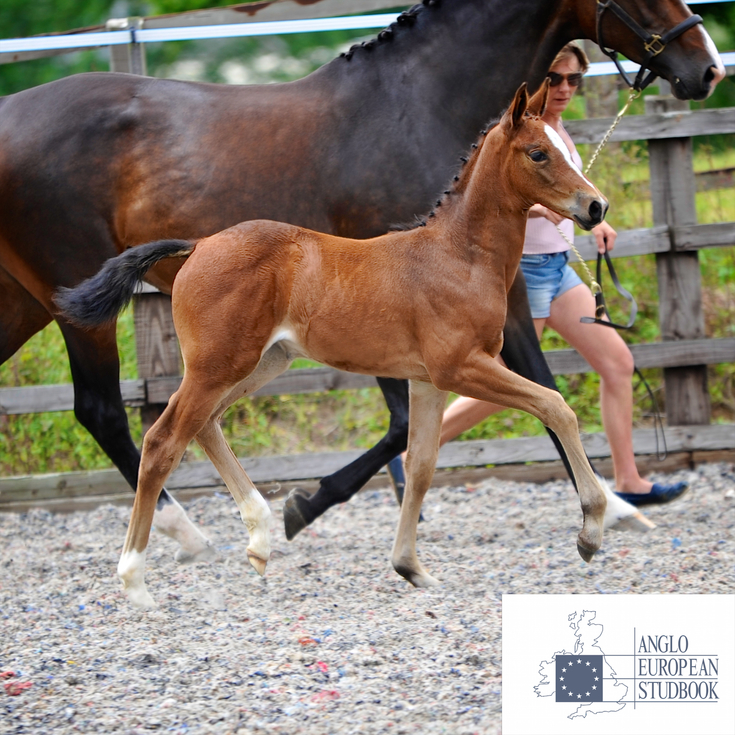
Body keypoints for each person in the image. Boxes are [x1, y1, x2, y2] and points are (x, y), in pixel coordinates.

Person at [437, 42, 687, 507]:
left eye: (575, 79)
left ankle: (629, 481)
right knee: (502, 384)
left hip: (558, 267)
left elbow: (567, 187)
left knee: (617, 364)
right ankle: (408, 453)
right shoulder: (513, 131)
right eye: (555, 78)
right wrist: (542, 209)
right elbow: (485, 194)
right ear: (539, 77)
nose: (565, 88)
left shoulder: (555, 130)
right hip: (526, 272)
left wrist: (597, 220)